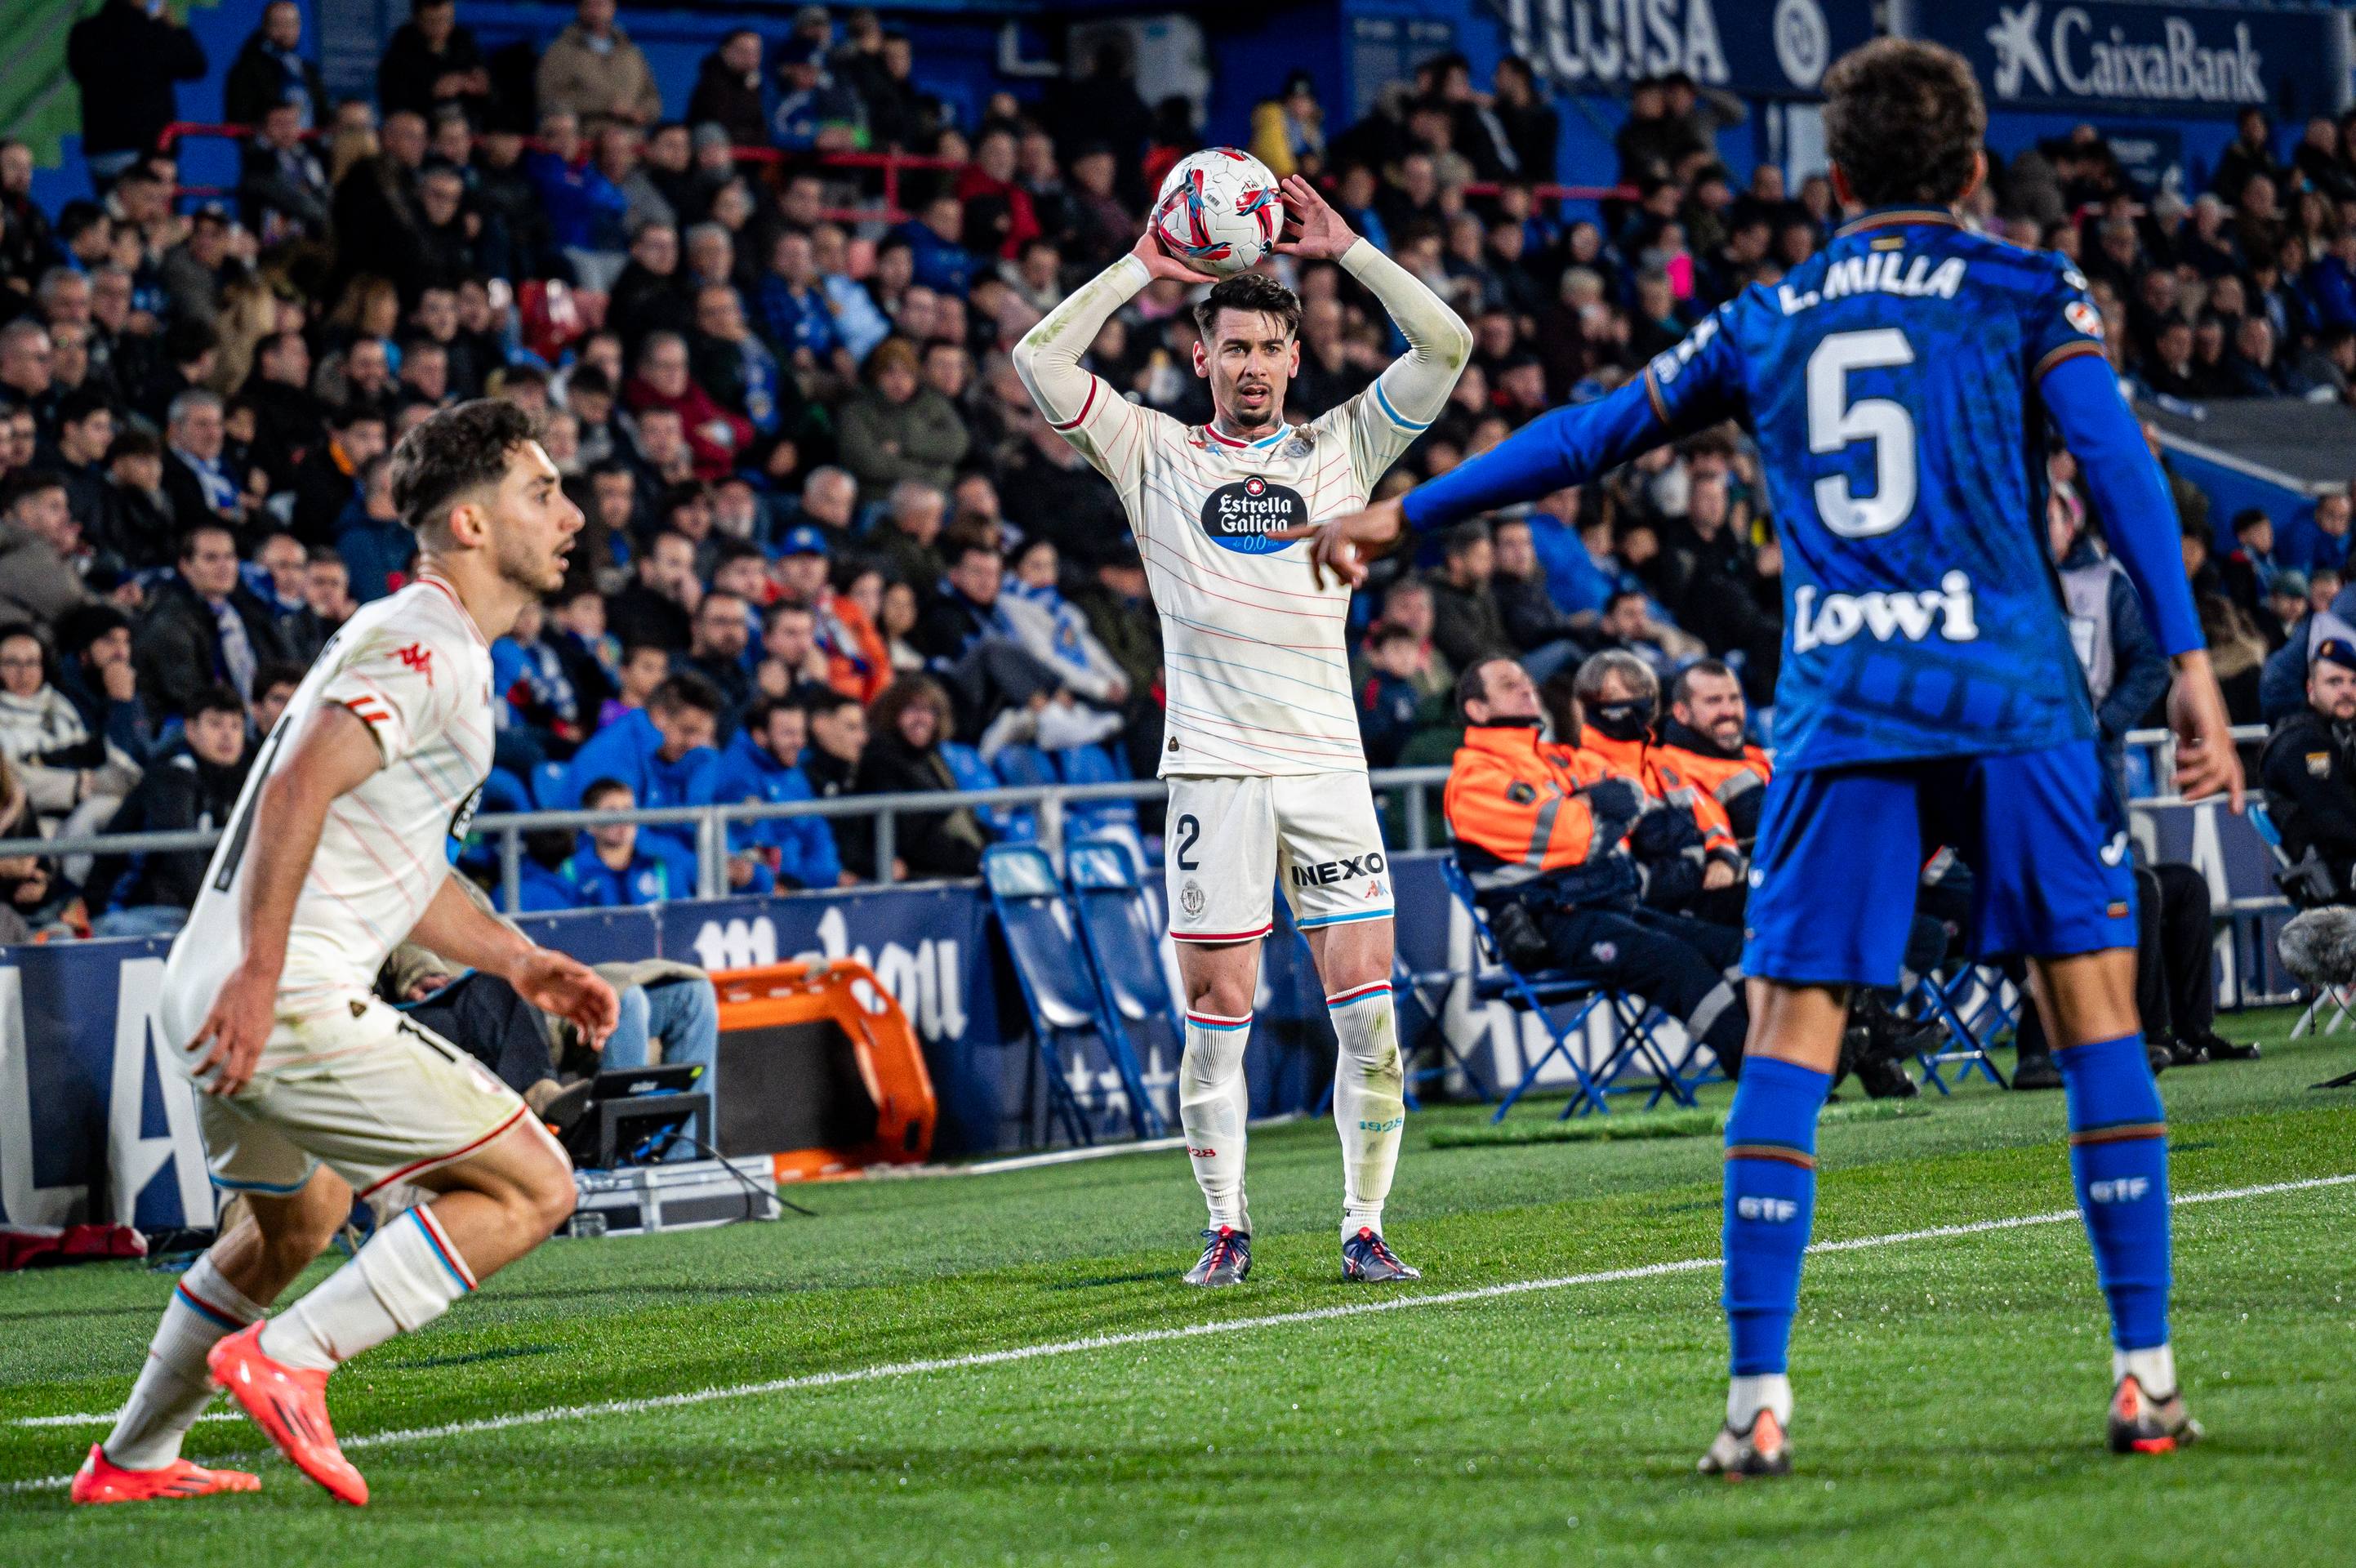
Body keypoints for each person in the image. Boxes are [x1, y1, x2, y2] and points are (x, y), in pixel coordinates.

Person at [1301, 40, 2241, 1474]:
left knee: (1791, 1045)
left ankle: (1754, 1408)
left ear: (1835, 179)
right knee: (2095, 1014)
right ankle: (2146, 1378)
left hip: (1845, 703)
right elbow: (2118, 471)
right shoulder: (2025, 289)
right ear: (1977, 172)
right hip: (2009, 694)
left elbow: (1589, 435)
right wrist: (2188, 669)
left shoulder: (1774, 313)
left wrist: (1404, 514)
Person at [74, 399, 617, 1508]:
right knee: (534, 1187)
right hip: (278, 994)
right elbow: (297, 785)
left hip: (213, 986)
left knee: (298, 1219)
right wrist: (267, 976)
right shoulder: (425, 642)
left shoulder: (427, 641)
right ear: (469, 526)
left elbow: (396, 860)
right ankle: (293, 1358)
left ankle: (128, 1460)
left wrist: (518, 961)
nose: (571, 513)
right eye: (543, 490)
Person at [1012, 172, 1471, 1287]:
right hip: (1212, 771)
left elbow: (1446, 345)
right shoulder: (1154, 455)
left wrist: (1352, 250)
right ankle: (1227, 1227)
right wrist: (1142, 266)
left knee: (1369, 1019)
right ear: (1204, 357)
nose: (1253, 365)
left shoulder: (1342, 451)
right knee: (1219, 1012)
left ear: (1294, 358)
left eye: (1270, 347)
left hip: (1325, 765)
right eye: (1235, 348)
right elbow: (1038, 361)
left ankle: (1363, 1228)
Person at [1446, 655, 1751, 1058]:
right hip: (1551, 921)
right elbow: (1573, 836)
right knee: (1677, 961)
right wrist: (1593, 814)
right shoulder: (1474, 778)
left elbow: (1630, 793)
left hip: (1610, 905)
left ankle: (1787, 1055)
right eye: (1508, 684)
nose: (1526, 688)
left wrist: (1587, 809)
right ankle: (1759, 1069)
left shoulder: (1556, 758)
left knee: (1734, 949)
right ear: (1477, 709)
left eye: (1526, 680)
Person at [84, 685, 251, 938]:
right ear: (191, 729)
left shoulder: (238, 778)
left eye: (236, 726)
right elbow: (180, 855)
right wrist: (213, 911)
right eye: (216, 725)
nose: (227, 735)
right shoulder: (172, 774)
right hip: (132, 910)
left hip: (183, 909)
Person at [65, 0, 207, 189]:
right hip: (149, 153)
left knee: (115, 216)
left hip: (102, 153)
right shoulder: (152, 30)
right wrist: (167, 22)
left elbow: (78, 72)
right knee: (155, 216)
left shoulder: (83, 32)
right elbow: (194, 64)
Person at [2260, 636, 2356, 909]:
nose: (2347, 691)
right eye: (2335, 682)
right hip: (2336, 878)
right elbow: (2335, 822)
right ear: (2310, 689)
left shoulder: (2340, 735)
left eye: (2353, 681)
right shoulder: (2303, 742)